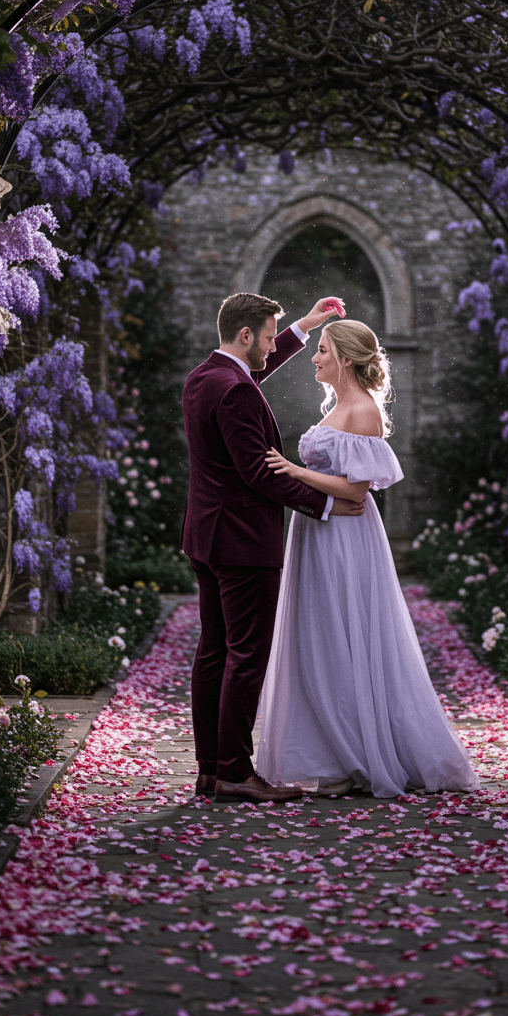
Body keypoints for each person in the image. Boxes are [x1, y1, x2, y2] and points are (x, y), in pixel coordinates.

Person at [255, 319, 480, 799]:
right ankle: (330, 754)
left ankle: (357, 755)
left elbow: (356, 490)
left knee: (344, 634)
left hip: (345, 536)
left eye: (321, 350)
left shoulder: (362, 410)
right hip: (317, 529)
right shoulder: (337, 406)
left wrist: (294, 471)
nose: (314, 358)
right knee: (319, 637)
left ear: (346, 359)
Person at [182, 292, 366, 805]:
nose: (270, 347)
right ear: (245, 336)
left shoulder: (205, 377)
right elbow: (258, 473)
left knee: (214, 652)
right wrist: (326, 505)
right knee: (246, 656)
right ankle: (235, 772)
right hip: (242, 542)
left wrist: (302, 326)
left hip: (206, 535)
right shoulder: (236, 390)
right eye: (266, 338)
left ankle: (211, 770)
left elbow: (248, 377)